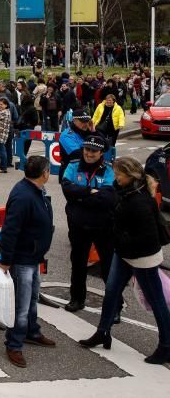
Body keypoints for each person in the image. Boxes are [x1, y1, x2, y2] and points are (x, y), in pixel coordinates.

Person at [78, 156, 170, 364]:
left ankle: (166, 346)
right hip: (125, 253)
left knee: (156, 301)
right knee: (111, 292)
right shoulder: (127, 190)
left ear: (130, 176)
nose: (115, 178)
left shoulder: (139, 201)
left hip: (142, 257)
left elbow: (147, 237)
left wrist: (119, 239)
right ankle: (103, 332)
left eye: (119, 175)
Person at [0, 155, 55, 367]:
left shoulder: (35, 190)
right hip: (23, 260)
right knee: (21, 305)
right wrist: (6, 260)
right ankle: (14, 344)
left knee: (31, 299)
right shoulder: (24, 195)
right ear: (44, 173)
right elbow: (10, 231)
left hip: (33, 257)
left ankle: (32, 331)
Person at [60, 134, 116, 313]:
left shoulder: (108, 170)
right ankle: (77, 298)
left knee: (108, 266)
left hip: (103, 226)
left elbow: (108, 198)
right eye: (87, 149)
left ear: (101, 153)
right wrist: (90, 192)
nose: (89, 154)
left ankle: (115, 306)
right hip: (78, 225)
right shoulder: (73, 165)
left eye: (94, 151)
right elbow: (67, 189)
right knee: (78, 263)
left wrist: (82, 197)